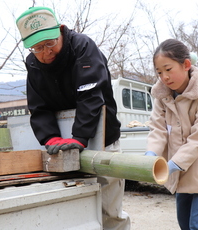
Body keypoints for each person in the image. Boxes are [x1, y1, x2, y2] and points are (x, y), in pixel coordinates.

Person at [15, 6, 130, 230]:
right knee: (76, 213)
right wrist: (50, 138)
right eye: (38, 47)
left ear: (61, 30)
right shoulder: (32, 64)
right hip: (62, 145)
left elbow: (91, 96)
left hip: (101, 139)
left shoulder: (82, 46)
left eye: (50, 42)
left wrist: (79, 136)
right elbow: (38, 107)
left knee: (110, 212)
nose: (46, 52)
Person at [144, 39, 198, 230]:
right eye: (159, 72)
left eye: (168, 69)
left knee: (197, 225)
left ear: (186, 65)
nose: (164, 77)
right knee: (184, 224)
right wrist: (151, 154)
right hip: (180, 171)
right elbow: (158, 129)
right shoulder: (162, 95)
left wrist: (173, 164)